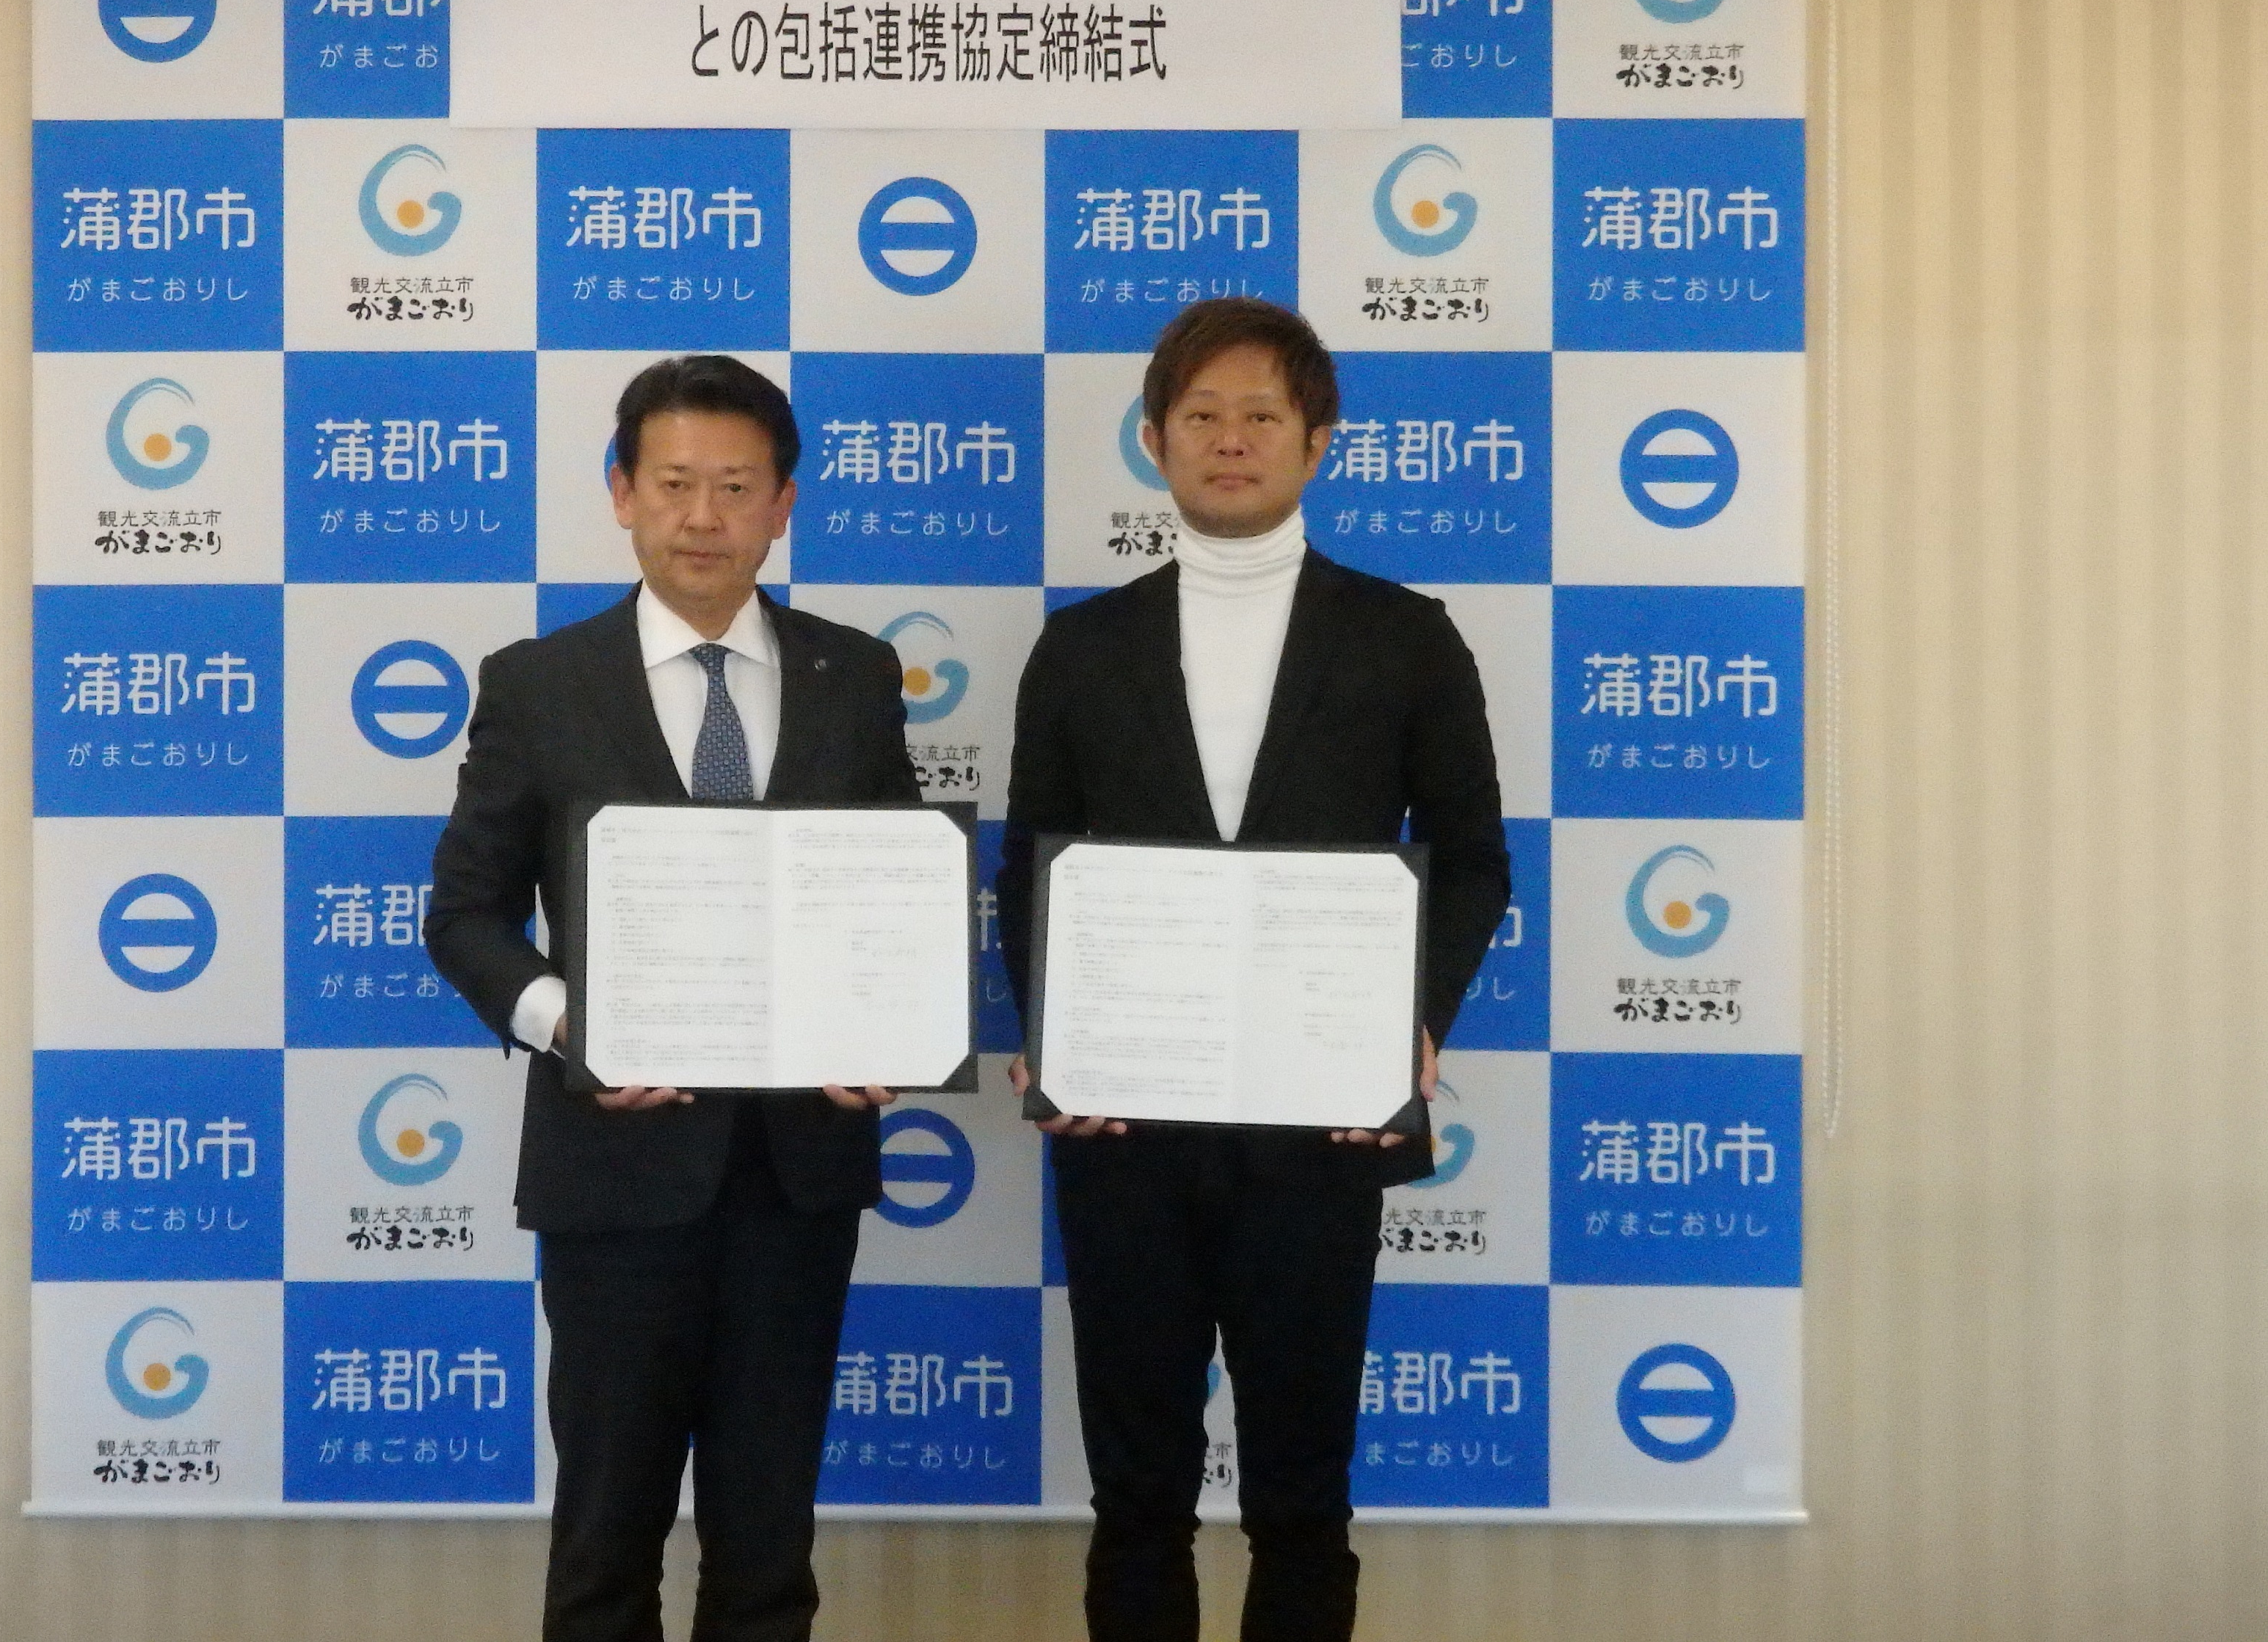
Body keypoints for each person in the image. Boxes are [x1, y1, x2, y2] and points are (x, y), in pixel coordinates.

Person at [998, 298, 1511, 1642]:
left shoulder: (1407, 636)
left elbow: (1474, 863)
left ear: (1317, 441)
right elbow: (1031, 874)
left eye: (1263, 416)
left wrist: (1410, 1025)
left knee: (1301, 1498)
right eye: (1204, 415)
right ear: (1156, 437)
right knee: (1137, 1499)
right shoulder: (1081, 646)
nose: (1232, 439)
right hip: (1126, 1132)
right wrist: (1058, 1040)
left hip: (1322, 1124)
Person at [426, 354, 919, 1642]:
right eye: (676, 483)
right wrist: (570, 1024)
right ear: (622, 493)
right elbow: (465, 914)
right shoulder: (539, 683)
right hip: (614, 1172)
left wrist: (888, 1026)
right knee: (605, 1545)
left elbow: (890, 898)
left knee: (768, 1550)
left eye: (737, 486)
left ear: (783, 505)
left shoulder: (858, 676)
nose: (705, 516)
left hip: (798, 1173)